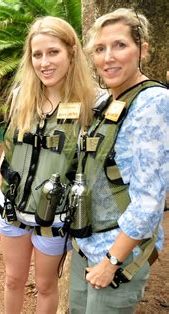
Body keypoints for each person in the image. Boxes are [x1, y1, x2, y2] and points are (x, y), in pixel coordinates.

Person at [0, 16, 96, 313]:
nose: (44, 62)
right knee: (12, 280)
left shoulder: (90, 104)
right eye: (37, 54)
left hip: (54, 217)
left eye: (53, 52)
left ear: (71, 52)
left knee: (46, 286)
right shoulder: (21, 97)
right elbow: (8, 154)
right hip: (12, 211)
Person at [69, 8, 168, 313]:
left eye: (120, 45)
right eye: (100, 49)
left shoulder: (153, 103)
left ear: (143, 50)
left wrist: (111, 262)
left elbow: (150, 202)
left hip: (116, 256)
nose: (108, 57)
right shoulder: (111, 101)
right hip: (87, 246)